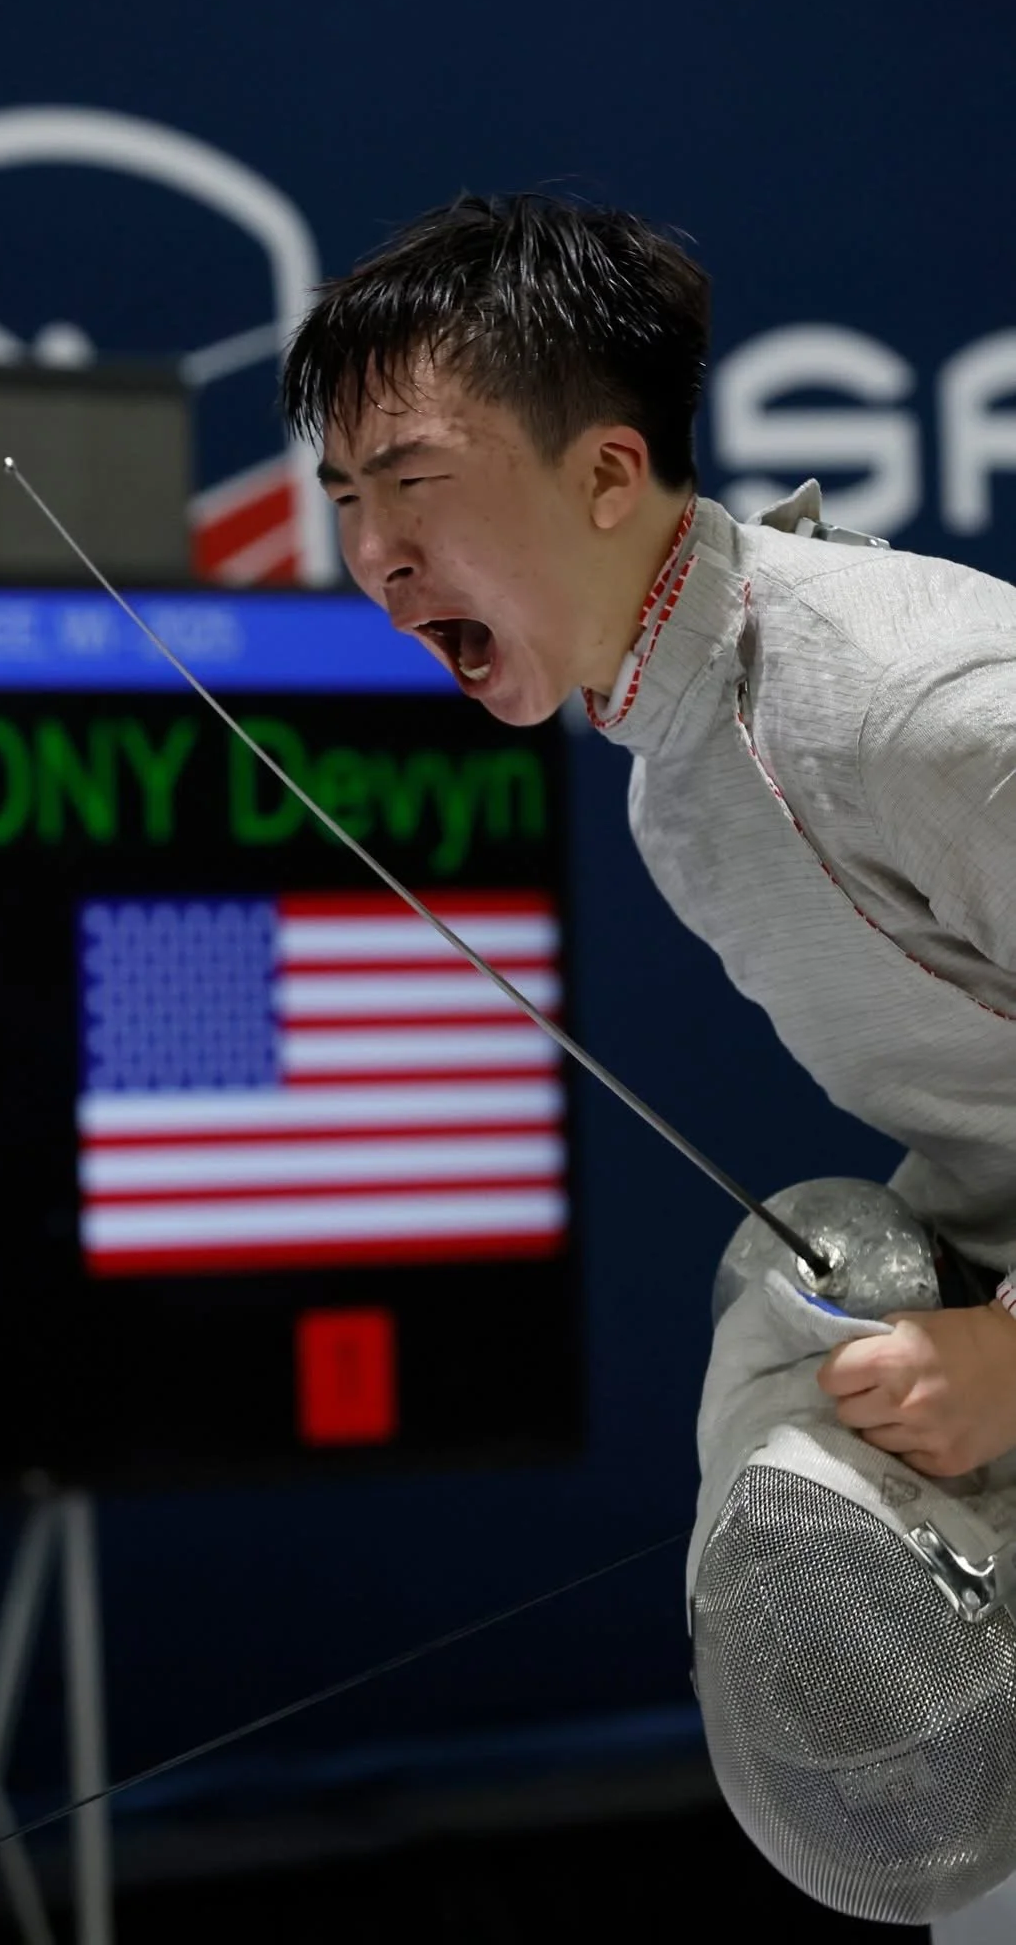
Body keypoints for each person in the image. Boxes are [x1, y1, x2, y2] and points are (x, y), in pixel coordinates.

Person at [282, 193, 1016, 1940]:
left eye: (413, 479)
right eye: (346, 504)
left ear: (611, 476)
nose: (374, 551)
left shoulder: (924, 708)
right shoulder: (676, 764)